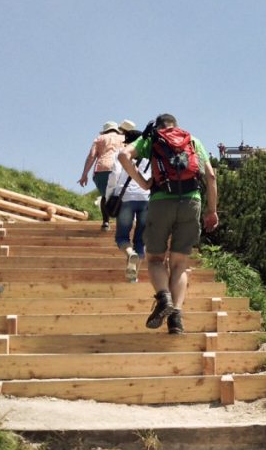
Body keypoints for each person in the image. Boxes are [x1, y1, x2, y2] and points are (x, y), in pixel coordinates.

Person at [117, 113, 218, 334]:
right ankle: (176, 320)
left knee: (155, 259)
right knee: (180, 263)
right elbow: (210, 176)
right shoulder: (192, 140)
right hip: (191, 201)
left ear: (159, 126)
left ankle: (164, 298)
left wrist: (143, 182)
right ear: (176, 126)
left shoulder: (151, 139)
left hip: (161, 201)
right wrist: (212, 210)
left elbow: (123, 155)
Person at [105, 125, 150, 282]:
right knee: (141, 240)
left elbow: (114, 175)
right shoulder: (150, 156)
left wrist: (109, 195)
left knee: (122, 237)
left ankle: (130, 253)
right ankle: (133, 277)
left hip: (126, 199)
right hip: (146, 200)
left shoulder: (122, 154)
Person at [79, 121, 125, 231]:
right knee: (121, 196)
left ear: (105, 130)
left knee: (105, 195)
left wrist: (84, 175)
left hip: (101, 170)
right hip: (119, 169)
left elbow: (91, 156)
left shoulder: (99, 138)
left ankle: (105, 222)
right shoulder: (123, 138)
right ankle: (121, 223)